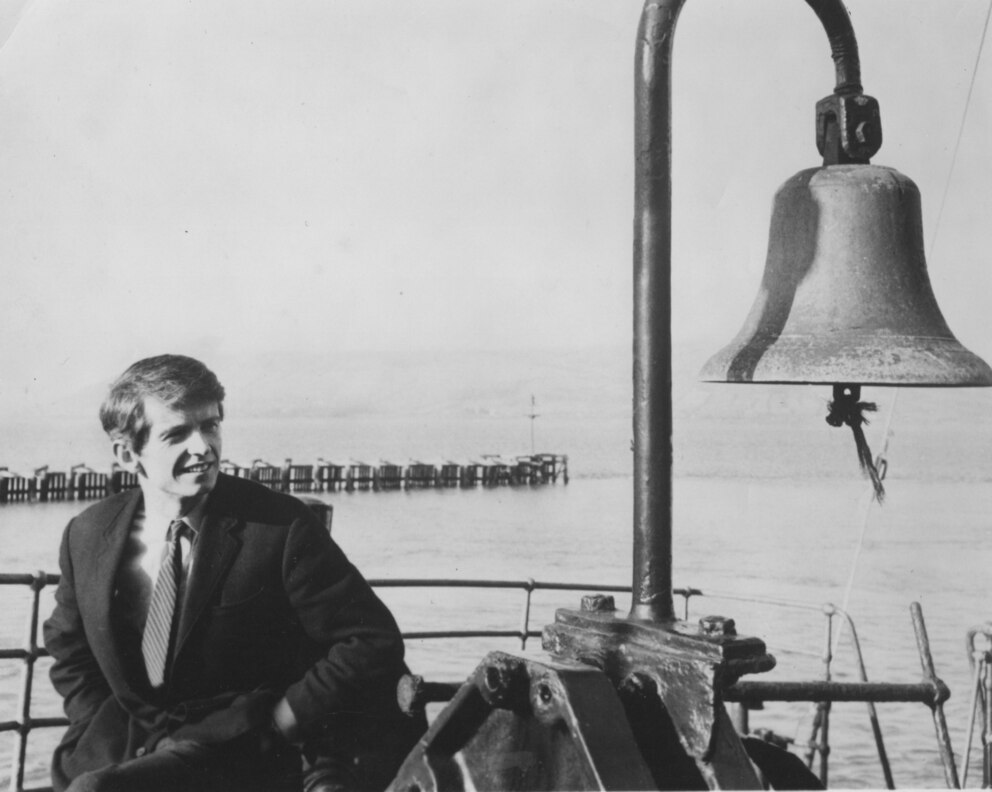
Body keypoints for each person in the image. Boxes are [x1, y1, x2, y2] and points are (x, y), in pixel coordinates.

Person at [43, 354, 424, 792]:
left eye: (211, 426)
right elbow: (67, 644)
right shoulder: (87, 535)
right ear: (127, 454)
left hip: (240, 749)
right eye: (177, 434)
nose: (203, 447)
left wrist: (286, 718)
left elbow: (370, 638)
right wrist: (93, 718)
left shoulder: (279, 527)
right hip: (126, 743)